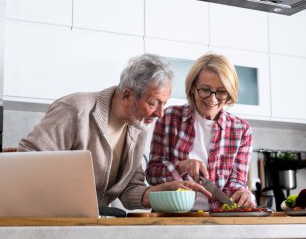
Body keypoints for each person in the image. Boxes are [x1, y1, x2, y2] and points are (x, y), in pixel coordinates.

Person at [17, 53, 211, 210]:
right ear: (127, 94)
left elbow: (129, 189)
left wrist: (160, 192)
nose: (160, 113)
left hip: (93, 224)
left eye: (164, 104)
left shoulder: (138, 126)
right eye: (153, 103)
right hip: (53, 220)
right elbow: (27, 159)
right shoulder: (76, 110)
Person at [146, 52, 255, 212]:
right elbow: (152, 175)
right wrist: (182, 166)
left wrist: (241, 193)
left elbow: (236, 183)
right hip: (172, 218)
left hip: (219, 220)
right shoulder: (169, 118)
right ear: (193, 88)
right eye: (205, 90)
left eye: (221, 92)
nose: (212, 99)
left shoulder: (241, 130)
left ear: (230, 93)